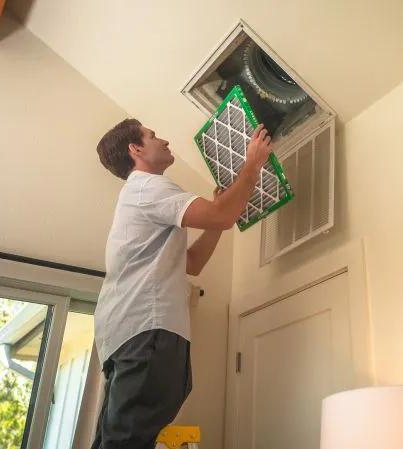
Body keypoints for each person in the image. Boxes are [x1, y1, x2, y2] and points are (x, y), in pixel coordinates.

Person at [91, 118, 272, 449]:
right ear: (136, 149)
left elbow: (192, 263)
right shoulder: (147, 186)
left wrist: (218, 217)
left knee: (120, 439)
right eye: (153, 136)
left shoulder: (139, 196)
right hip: (147, 331)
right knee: (127, 440)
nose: (163, 140)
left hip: (130, 334)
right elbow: (221, 214)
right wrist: (253, 165)